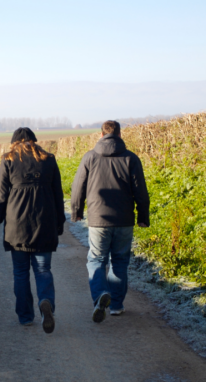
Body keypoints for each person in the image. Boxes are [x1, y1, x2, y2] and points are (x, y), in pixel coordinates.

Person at [70, 120, 150, 323]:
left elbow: (78, 186)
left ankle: (99, 296)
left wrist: (77, 211)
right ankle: (116, 306)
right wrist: (143, 216)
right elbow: (140, 191)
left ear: (101, 134)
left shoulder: (89, 157)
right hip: (124, 220)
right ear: (120, 135)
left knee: (96, 260)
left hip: (98, 219)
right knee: (120, 261)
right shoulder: (131, 158)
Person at [0, 127, 65, 334]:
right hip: (44, 224)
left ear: (14, 142)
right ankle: (46, 302)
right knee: (43, 270)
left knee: (21, 273)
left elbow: (1, 196)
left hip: (17, 227)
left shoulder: (8, 160)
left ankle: (25, 317)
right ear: (34, 141)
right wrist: (60, 221)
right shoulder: (49, 159)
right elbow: (58, 194)